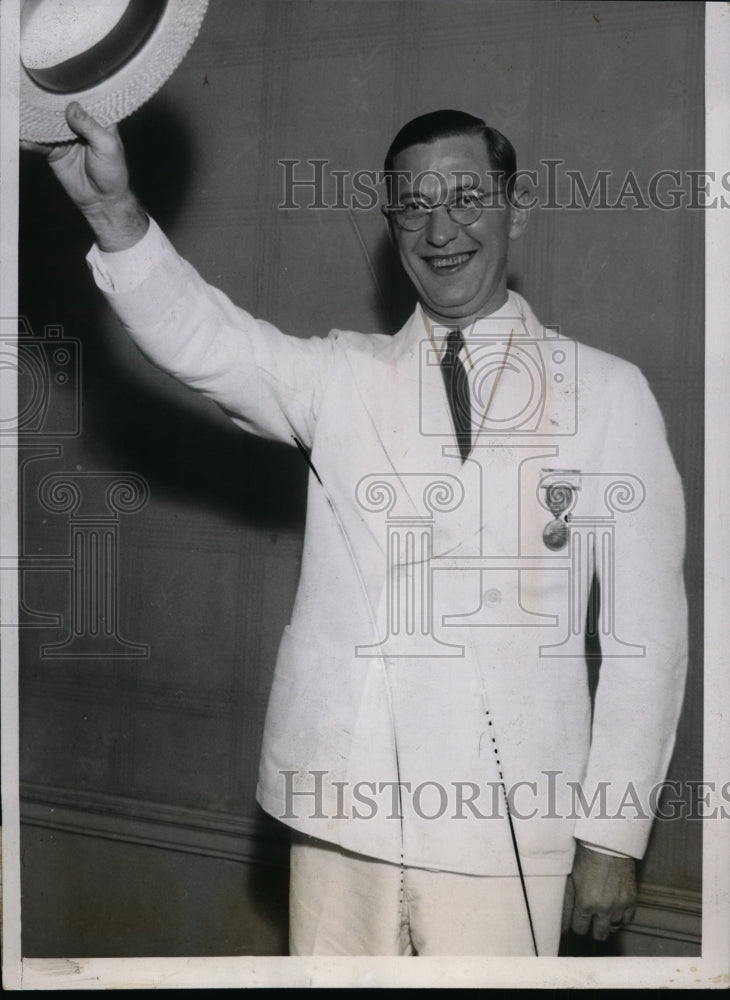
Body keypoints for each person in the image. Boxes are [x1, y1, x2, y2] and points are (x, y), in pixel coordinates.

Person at [30, 103, 688, 957]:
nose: (440, 229)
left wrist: (611, 836)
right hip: (341, 811)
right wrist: (111, 212)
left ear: (515, 209)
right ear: (391, 227)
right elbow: (206, 338)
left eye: (466, 198)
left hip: (505, 836)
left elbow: (649, 637)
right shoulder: (341, 375)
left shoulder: (608, 394)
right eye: (413, 206)